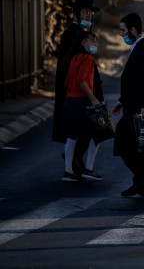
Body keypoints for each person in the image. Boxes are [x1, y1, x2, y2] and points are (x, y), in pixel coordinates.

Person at [112, 13, 144, 198]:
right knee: (139, 148)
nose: (121, 34)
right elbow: (135, 82)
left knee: (142, 148)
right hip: (133, 107)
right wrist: (121, 101)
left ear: (133, 30)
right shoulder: (137, 48)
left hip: (141, 110)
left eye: (123, 30)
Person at [53, 0, 104, 179]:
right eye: (85, 11)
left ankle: (75, 163)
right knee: (88, 129)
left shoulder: (83, 33)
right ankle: (77, 163)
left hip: (82, 90)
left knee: (83, 130)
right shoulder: (73, 34)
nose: (89, 15)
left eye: (90, 12)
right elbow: (73, 69)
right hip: (79, 93)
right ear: (76, 13)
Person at [61, 30, 103, 182]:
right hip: (82, 102)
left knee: (72, 137)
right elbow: (80, 79)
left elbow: (67, 83)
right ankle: (89, 169)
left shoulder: (73, 59)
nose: (96, 45)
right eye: (93, 42)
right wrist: (92, 98)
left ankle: (68, 171)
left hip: (69, 102)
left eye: (96, 42)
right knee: (97, 135)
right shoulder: (87, 58)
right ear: (83, 43)